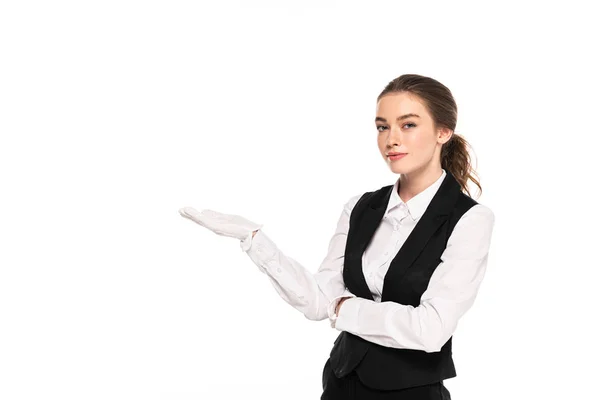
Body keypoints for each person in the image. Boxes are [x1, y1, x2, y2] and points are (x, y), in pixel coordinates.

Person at [179, 73, 495, 399]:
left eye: (408, 125)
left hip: (411, 392)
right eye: (383, 126)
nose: (391, 139)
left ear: (443, 132)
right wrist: (255, 240)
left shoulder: (470, 219)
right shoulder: (361, 207)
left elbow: (431, 329)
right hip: (340, 384)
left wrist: (344, 309)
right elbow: (319, 301)